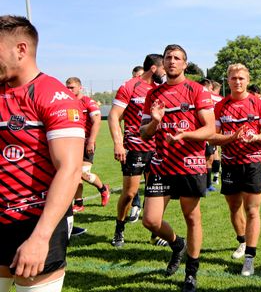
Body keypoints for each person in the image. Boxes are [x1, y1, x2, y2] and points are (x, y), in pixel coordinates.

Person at [0, 15, 85, 292]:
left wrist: (40, 237)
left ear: (21, 49)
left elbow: (70, 170)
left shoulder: (53, 95)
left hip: (34, 222)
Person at [140, 45, 215, 292]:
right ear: (163, 63)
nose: (172, 62)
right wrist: (156, 122)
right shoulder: (154, 95)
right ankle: (177, 244)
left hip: (190, 163)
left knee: (192, 217)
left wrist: (186, 135)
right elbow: (144, 132)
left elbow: (209, 129)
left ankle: (191, 273)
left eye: (177, 58)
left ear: (185, 64)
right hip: (162, 164)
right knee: (150, 220)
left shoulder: (197, 91)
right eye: (168, 58)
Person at [210, 64, 261, 276]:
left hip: (253, 162)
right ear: (228, 81)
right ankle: (242, 242)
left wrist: (256, 137)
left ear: (247, 79)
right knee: (234, 207)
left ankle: (249, 258)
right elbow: (212, 136)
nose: (237, 82)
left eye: (241, 78)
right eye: (234, 78)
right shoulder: (220, 106)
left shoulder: (259, 102)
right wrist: (231, 138)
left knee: (252, 210)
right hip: (229, 163)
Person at [108, 54, 167, 248]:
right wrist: (118, 143)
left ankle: (154, 234)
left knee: (155, 193)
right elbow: (114, 116)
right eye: (163, 69)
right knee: (130, 193)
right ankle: (119, 230)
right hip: (135, 148)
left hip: (157, 149)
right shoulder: (130, 86)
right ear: (153, 68)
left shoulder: (160, 89)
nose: (165, 73)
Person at [65, 77, 110, 213]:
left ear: (80, 87)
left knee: (83, 173)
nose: (69, 90)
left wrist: (91, 141)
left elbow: (97, 121)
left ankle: (103, 189)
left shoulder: (88, 102)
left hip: (86, 143)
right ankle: (78, 203)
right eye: (67, 87)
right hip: (72, 144)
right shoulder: (67, 103)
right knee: (74, 173)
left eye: (71, 87)